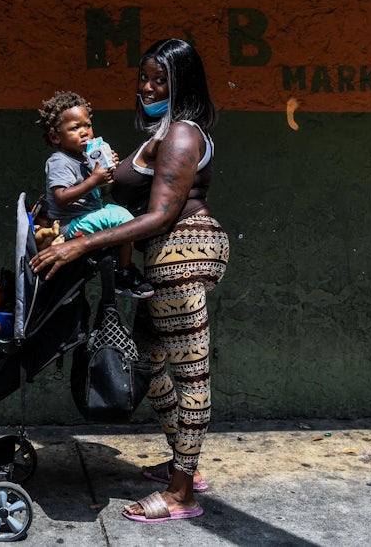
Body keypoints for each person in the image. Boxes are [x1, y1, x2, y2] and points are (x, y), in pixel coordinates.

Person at [29, 39, 230, 523]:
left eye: (160, 79)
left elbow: (161, 214)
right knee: (149, 362)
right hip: (159, 259)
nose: (147, 86)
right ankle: (185, 466)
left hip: (183, 251)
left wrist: (81, 244)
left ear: (183, 82)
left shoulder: (183, 134)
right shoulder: (158, 135)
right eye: (143, 77)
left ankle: (183, 494)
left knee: (190, 372)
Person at [35, 90, 154, 299]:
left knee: (124, 217)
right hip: (69, 224)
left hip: (88, 215)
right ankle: (123, 272)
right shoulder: (59, 161)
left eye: (87, 125)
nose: (84, 132)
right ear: (56, 137)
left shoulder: (87, 157)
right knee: (122, 219)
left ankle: (122, 266)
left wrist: (109, 171)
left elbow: (101, 191)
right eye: (74, 128)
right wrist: (93, 180)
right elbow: (61, 198)